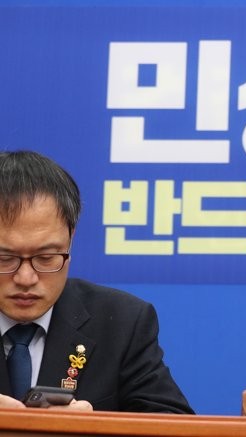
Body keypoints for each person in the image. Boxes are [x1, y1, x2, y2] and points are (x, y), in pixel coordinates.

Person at [0, 150, 192, 413]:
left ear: (70, 241)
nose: (25, 278)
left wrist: (91, 428)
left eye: (46, 258)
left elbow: (172, 422)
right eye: (5, 258)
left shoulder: (122, 322)